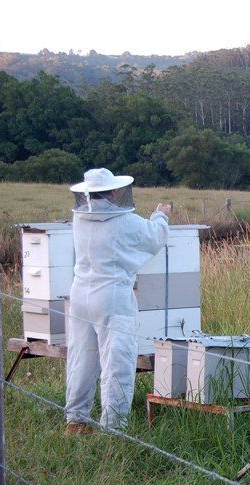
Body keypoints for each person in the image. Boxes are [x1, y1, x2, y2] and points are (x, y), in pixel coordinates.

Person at [64, 168, 170, 434]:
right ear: (112, 191)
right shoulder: (125, 221)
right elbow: (154, 236)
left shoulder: (80, 218)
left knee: (81, 358)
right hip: (111, 296)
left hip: (79, 295)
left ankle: (76, 419)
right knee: (117, 361)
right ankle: (113, 427)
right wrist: (161, 214)